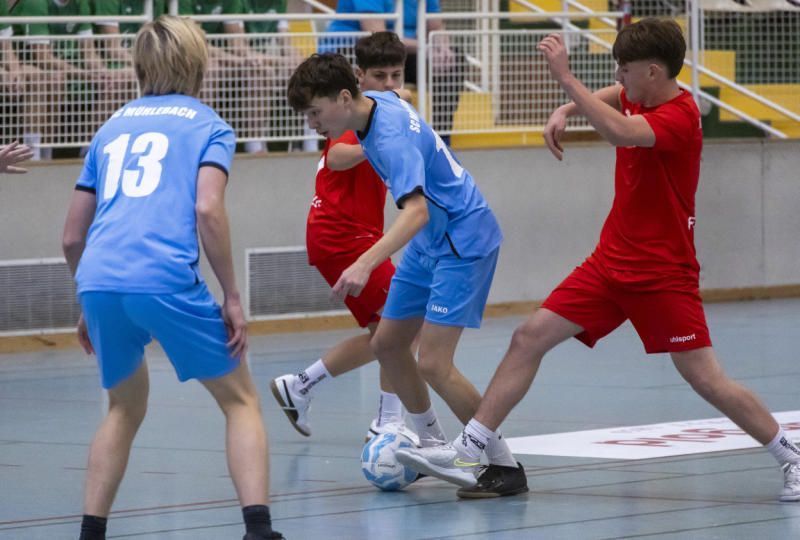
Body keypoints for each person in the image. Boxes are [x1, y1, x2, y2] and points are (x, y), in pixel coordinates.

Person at [394, 18, 800, 503]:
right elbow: (615, 99)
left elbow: (622, 132)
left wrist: (567, 80)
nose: (619, 77)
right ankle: (472, 448)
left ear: (654, 71)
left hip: (662, 274)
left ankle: (790, 457)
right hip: (609, 265)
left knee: (706, 379)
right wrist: (567, 108)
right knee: (529, 337)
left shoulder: (679, 116)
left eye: (625, 69)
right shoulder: (640, 91)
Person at [61, 16, 283, 540]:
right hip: (163, 275)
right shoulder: (208, 124)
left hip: (99, 278)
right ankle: (259, 530)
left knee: (122, 407)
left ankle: (90, 533)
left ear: (138, 66)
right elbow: (208, 209)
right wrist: (231, 294)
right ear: (199, 65)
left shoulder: (110, 126)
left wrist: (87, 301)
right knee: (240, 399)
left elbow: (72, 237)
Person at [287, 52, 528, 496]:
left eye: (315, 113)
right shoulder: (377, 101)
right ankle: (432, 443)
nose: (311, 124)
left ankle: (505, 466)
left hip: (462, 240)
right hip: (429, 242)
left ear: (343, 97)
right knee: (388, 343)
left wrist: (364, 262)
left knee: (433, 362)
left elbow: (414, 212)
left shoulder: (390, 135)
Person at [271, 32, 414, 440]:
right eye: (379, 76)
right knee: (399, 329)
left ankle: (299, 385)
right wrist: (379, 144)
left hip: (353, 234)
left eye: (396, 75)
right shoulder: (352, 116)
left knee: (386, 334)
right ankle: (388, 424)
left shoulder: (385, 111)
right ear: (358, 79)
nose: (388, 85)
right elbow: (335, 155)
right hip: (341, 235)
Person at [323, 0, 463, 144]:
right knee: (377, 68)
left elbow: (437, 27)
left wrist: (443, 49)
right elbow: (378, 35)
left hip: (405, 49)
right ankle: (349, 138)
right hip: (352, 47)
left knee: (452, 61)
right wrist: (427, 47)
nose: (389, 83)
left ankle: (440, 139)